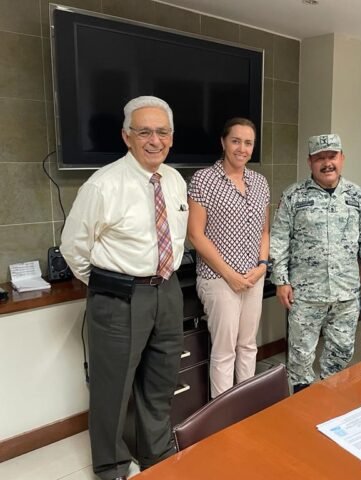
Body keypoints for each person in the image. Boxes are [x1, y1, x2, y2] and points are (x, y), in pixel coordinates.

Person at [60, 96, 188, 480]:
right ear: (126, 136)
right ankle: (111, 466)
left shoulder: (174, 180)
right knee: (112, 388)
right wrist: (109, 285)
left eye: (162, 132)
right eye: (144, 131)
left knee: (160, 380)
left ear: (171, 137)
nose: (155, 140)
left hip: (167, 290)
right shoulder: (103, 185)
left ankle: (156, 454)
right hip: (119, 296)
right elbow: (73, 248)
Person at [270, 134, 361, 392]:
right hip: (305, 295)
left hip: (346, 294)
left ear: (342, 158)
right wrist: (281, 281)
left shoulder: (356, 196)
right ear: (310, 162)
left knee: (340, 355)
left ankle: (330, 405)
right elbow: (279, 240)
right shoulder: (294, 196)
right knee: (300, 358)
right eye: (320, 158)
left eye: (332, 156)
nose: (327, 163)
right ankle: (303, 406)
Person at [187, 117, 270, 397]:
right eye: (236, 141)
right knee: (224, 351)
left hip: (253, 277)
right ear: (223, 142)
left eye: (248, 143)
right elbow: (196, 234)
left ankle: (246, 405)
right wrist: (230, 275)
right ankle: (224, 414)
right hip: (219, 279)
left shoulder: (260, 182)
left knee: (248, 345)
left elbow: (264, 231)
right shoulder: (203, 180)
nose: (242, 148)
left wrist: (262, 266)